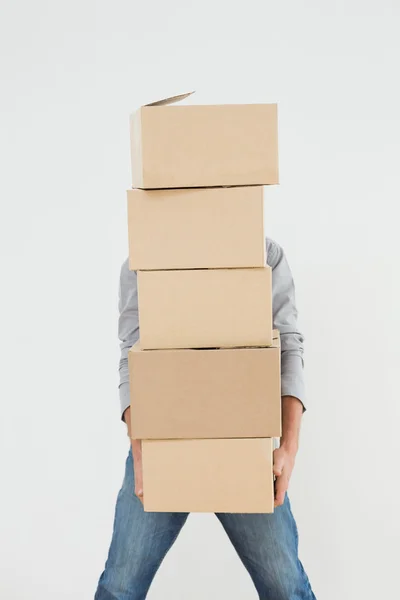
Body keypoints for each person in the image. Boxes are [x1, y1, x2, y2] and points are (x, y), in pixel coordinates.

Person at [95, 237, 316, 600]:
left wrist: (288, 448)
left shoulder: (264, 255)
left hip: (245, 441)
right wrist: (139, 451)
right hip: (162, 441)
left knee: (285, 588)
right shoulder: (143, 262)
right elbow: (132, 359)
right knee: (119, 589)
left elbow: (288, 346)